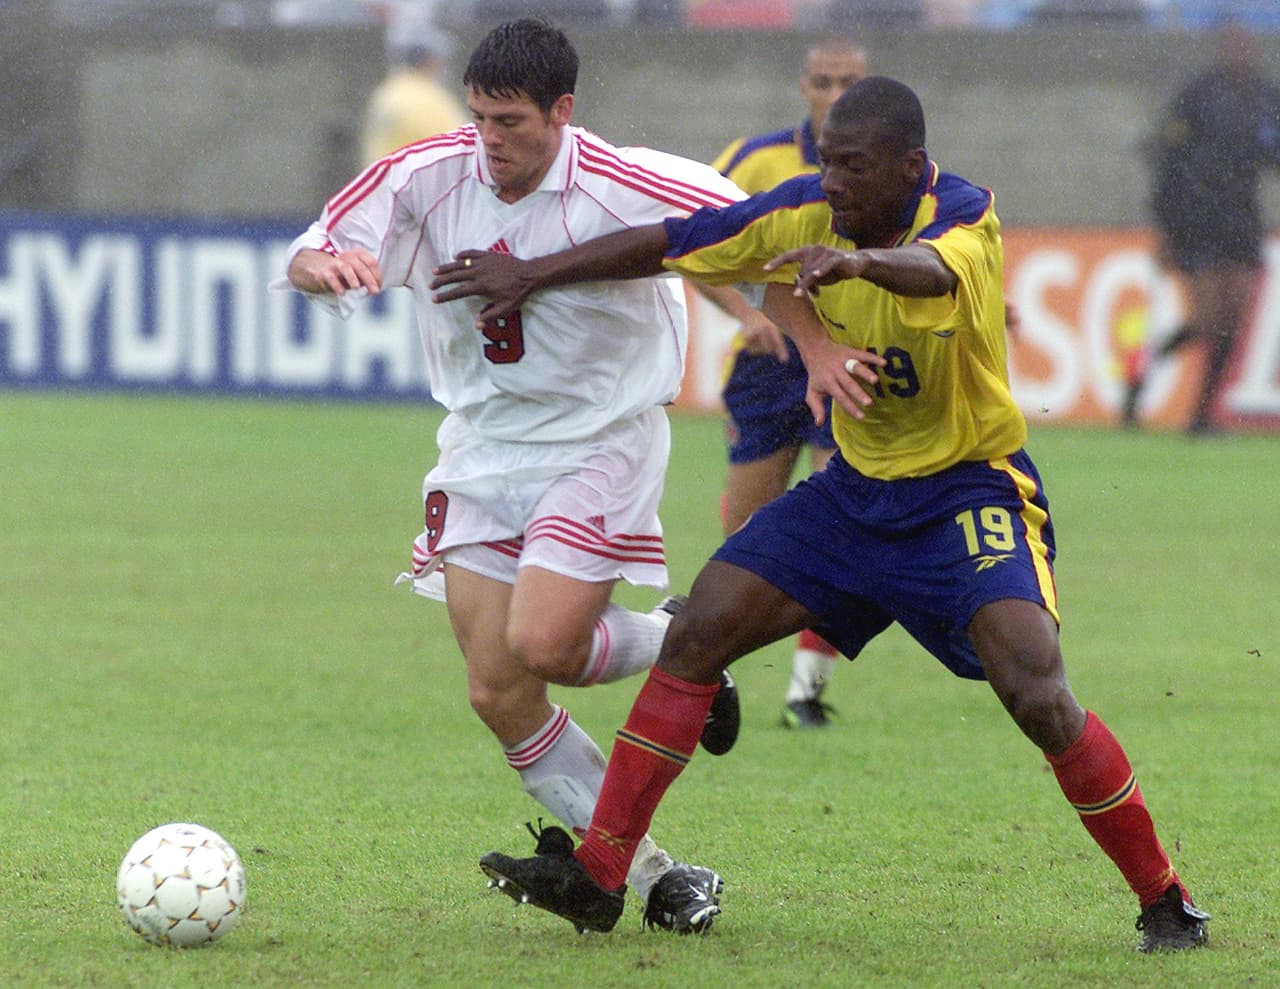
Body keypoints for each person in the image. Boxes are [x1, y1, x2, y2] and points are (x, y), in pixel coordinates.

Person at [435, 76, 1212, 952]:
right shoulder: (804, 210)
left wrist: (857, 264)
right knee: (698, 631)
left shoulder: (963, 215)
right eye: (826, 162)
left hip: (966, 490)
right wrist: (531, 272)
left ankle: (1164, 898)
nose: (832, 180)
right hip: (850, 496)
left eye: (852, 166)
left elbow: (930, 273)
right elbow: (670, 240)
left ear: (909, 167)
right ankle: (602, 872)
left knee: (1036, 689)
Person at [280, 17, 745, 935]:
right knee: (498, 687)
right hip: (483, 446)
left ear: (562, 113)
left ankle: (685, 648)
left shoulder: (617, 178)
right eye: (481, 117)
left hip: (598, 439)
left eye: (513, 123)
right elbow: (310, 248)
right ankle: (653, 872)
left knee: (544, 642)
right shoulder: (428, 172)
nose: (491, 140)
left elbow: (738, 227)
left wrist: (789, 321)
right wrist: (323, 269)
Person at [698, 38, 867, 730]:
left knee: (843, 521)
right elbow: (691, 244)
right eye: (824, 82)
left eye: (848, 83)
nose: (835, 95)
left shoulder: (890, 170)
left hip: (846, 361)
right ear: (804, 87)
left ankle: (805, 691)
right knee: (748, 530)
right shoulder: (758, 158)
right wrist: (745, 312)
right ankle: (710, 662)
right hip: (770, 363)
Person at [1123, 20, 1280, 435]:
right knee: (1210, 320)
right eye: (1232, 44)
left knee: (1234, 315)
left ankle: (1201, 416)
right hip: (1197, 218)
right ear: (1221, 47)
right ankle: (1139, 383)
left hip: (1241, 219)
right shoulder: (1199, 95)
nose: (1239, 51)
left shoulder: (1266, 98)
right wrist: (1166, 226)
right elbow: (1165, 157)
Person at [360, 16, 468, 165]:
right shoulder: (428, 99)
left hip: (383, 181)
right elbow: (460, 151)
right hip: (417, 183)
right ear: (429, 60)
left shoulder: (388, 91)